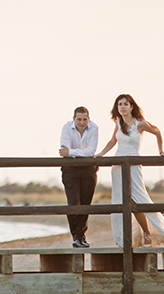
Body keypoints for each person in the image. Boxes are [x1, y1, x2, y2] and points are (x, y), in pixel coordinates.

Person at [94, 94, 164, 247]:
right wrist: (101, 154)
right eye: (119, 104)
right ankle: (126, 239)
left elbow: (157, 132)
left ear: (131, 107)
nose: (122, 107)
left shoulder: (140, 124)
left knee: (138, 199)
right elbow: (113, 141)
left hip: (134, 165)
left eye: (125, 104)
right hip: (117, 167)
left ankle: (149, 233)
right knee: (121, 202)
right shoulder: (118, 122)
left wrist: (161, 151)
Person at [59, 106, 99, 248]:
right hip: (70, 170)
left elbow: (91, 151)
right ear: (73, 119)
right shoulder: (66, 128)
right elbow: (64, 150)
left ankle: (80, 237)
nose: (82, 122)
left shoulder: (94, 128)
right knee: (73, 204)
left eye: (84, 119)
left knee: (85, 205)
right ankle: (76, 236)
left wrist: (71, 152)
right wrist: (74, 152)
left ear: (89, 118)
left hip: (88, 170)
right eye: (79, 119)